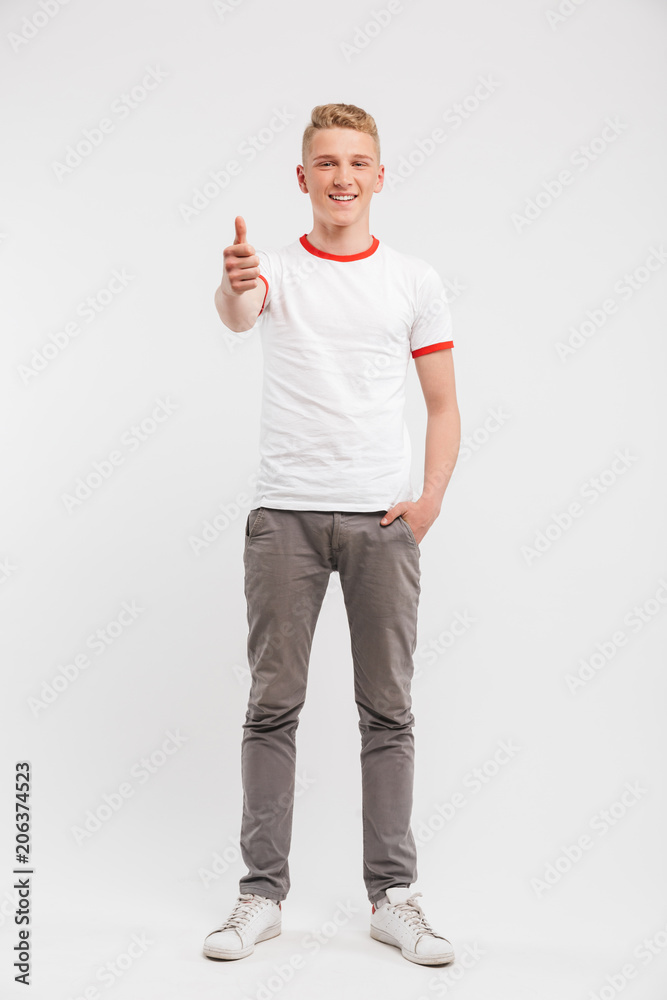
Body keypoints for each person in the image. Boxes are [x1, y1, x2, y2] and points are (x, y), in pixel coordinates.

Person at [203, 103, 461, 967]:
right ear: (303, 177)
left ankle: (392, 896)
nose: (341, 175)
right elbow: (239, 312)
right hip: (285, 520)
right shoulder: (272, 268)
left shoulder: (413, 279)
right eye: (325, 162)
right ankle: (258, 896)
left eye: (357, 162)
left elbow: (442, 404)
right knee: (271, 707)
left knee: (387, 712)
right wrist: (235, 282)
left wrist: (425, 503)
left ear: (379, 177)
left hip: (383, 524)